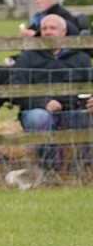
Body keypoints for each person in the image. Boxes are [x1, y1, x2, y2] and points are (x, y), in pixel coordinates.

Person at [9, 14, 92, 175]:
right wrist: (43, 103)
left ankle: (81, 169)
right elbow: (15, 88)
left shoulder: (80, 58)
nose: (47, 32)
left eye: (52, 28)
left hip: (72, 111)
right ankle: (48, 170)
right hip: (38, 111)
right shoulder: (28, 57)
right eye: (44, 28)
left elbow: (89, 83)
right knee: (38, 118)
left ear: (64, 31)